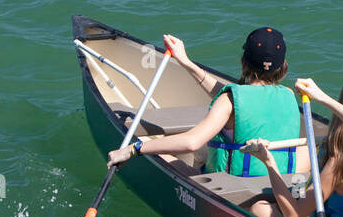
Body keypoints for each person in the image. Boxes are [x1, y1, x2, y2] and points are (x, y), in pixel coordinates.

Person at [107, 28, 309, 179]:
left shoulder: (229, 100)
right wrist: (185, 62)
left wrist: (135, 148)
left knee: (162, 153)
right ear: (282, 66)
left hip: (235, 186)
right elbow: (241, 100)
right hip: (276, 183)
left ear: (243, 61)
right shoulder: (289, 95)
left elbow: (191, 141)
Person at [245, 74, 343, 217]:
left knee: (260, 208)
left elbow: (293, 216)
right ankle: (299, 194)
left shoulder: (338, 162)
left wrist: (269, 162)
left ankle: (296, 203)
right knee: (302, 167)